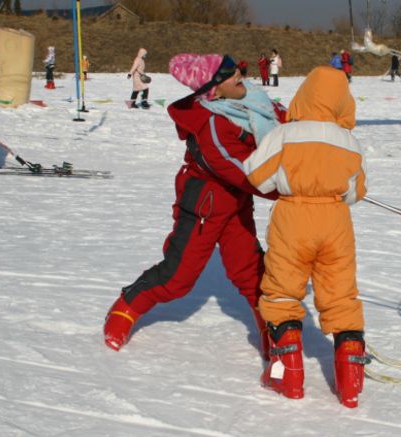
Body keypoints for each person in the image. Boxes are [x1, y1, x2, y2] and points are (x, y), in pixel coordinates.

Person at [103, 53, 286, 358]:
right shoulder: (212, 125)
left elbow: (284, 117)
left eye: (236, 68)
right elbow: (246, 173)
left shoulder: (252, 99)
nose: (239, 74)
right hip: (205, 202)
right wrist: (293, 192)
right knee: (179, 277)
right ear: (213, 91)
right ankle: (127, 305)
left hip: (235, 201)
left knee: (251, 268)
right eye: (229, 74)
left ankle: (270, 324)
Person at [244, 65, 367, 408]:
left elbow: (256, 176)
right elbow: (357, 191)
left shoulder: (285, 135)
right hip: (335, 222)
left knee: (282, 292)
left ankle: (288, 377)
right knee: (342, 296)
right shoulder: (349, 141)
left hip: (293, 219)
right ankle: (350, 384)